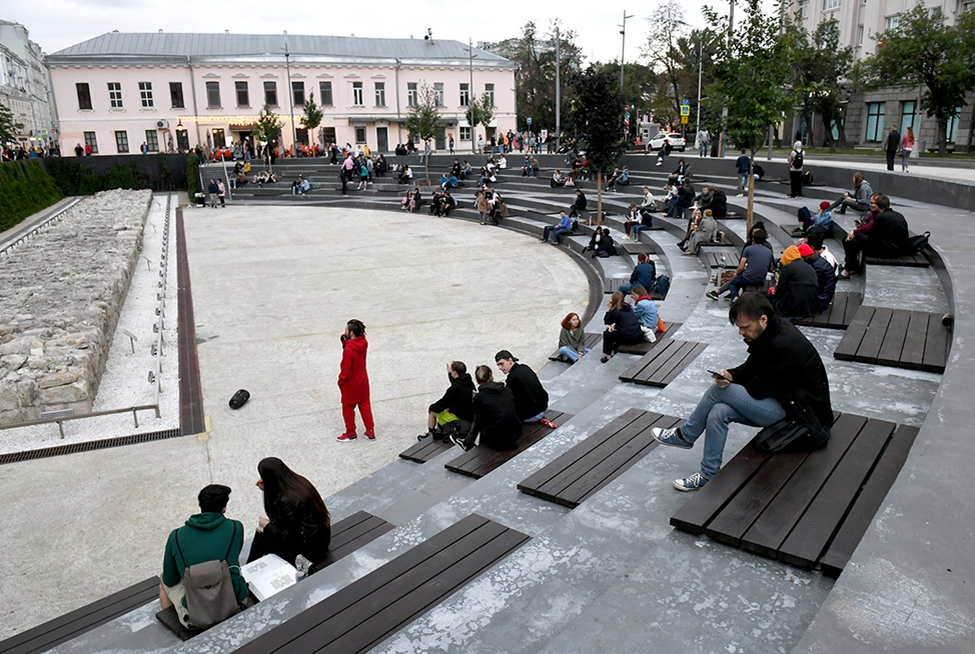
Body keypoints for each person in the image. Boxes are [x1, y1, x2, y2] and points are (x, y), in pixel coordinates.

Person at [652, 293, 832, 490]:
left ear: (763, 319)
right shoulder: (770, 332)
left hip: (798, 416)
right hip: (784, 401)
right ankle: (707, 474)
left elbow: (757, 389)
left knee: (718, 392)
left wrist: (730, 385)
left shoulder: (784, 345)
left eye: (745, 327)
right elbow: (751, 368)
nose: (741, 332)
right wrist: (729, 375)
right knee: (718, 412)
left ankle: (686, 435)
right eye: (739, 327)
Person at [159, 485, 248, 628]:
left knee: (163, 578)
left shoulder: (176, 536)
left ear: (199, 504)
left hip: (197, 615)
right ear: (224, 508)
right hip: (236, 602)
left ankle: (176, 624)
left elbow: (171, 579)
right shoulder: (236, 527)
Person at [246, 458, 331, 568]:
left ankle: (247, 570)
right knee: (264, 532)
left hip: (309, 550)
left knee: (262, 536)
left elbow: (287, 536)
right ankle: (248, 568)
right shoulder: (299, 482)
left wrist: (266, 525)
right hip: (321, 539)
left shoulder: (285, 500)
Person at [449, 365, 522, 452]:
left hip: (497, 441)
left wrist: (469, 441)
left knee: (483, 422)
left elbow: (478, 422)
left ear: (477, 380)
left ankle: (467, 444)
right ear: (491, 376)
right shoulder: (507, 391)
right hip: (515, 434)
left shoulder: (480, 398)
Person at [839, 193, 910, 278]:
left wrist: (858, 233)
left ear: (879, 206)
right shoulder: (899, 215)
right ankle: (848, 268)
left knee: (856, 239)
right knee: (855, 241)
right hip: (898, 249)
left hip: (886, 251)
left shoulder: (880, 218)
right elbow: (905, 235)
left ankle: (847, 270)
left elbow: (872, 239)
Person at [706, 229, 775, 301]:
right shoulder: (769, 251)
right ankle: (717, 293)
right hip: (761, 278)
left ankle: (735, 297)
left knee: (733, 282)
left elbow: (741, 267)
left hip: (749, 277)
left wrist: (737, 273)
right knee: (741, 276)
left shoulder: (748, 249)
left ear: (753, 239)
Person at [336, 319, 374, 441]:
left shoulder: (349, 350)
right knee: (365, 406)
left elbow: (346, 371)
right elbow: (353, 345)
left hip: (350, 384)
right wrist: (345, 342)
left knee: (348, 409)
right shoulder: (363, 343)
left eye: (346, 330)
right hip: (362, 381)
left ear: (351, 333)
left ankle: (350, 433)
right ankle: (370, 431)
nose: (344, 332)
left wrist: (340, 381)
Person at [419, 361, 476, 440]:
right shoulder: (469, 382)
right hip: (470, 414)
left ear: (455, 373)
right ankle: (439, 428)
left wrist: (432, 407)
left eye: (452, 371)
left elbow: (443, 403)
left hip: (460, 416)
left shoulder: (454, 389)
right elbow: (456, 382)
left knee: (433, 412)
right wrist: (450, 374)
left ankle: (430, 434)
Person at [495, 350, 549, 423]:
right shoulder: (524, 367)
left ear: (510, 360)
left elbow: (509, 400)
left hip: (533, 415)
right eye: (498, 365)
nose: (500, 368)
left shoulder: (512, 378)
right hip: (543, 407)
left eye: (502, 364)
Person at [771, 243, 820, 319]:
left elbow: (779, 292)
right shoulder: (809, 267)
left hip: (795, 307)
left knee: (771, 300)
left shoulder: (787, 267)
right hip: (810, 306)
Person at [600, 291, 644, 363]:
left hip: (629, 337)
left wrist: (608, 309)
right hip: (638, 335)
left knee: (607, 333)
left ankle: (608, 356)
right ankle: (615, 347)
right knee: (619, 332)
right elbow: (624, 321)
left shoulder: (615, 311)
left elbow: (607, 321)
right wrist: (615, 326)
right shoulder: (628, 307)